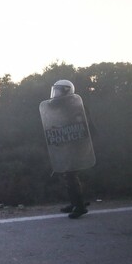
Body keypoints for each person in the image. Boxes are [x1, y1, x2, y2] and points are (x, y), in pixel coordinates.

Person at [49, 80, 92, 219]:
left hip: (81, 143)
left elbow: (79, 126)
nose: (55, 94)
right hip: (72, 144)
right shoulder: (65, 106)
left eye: (58, 91)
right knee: (68, 173)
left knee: (71, 174)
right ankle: (75, 202)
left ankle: (79, 207)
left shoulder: (75, 105)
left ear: (67, 91)